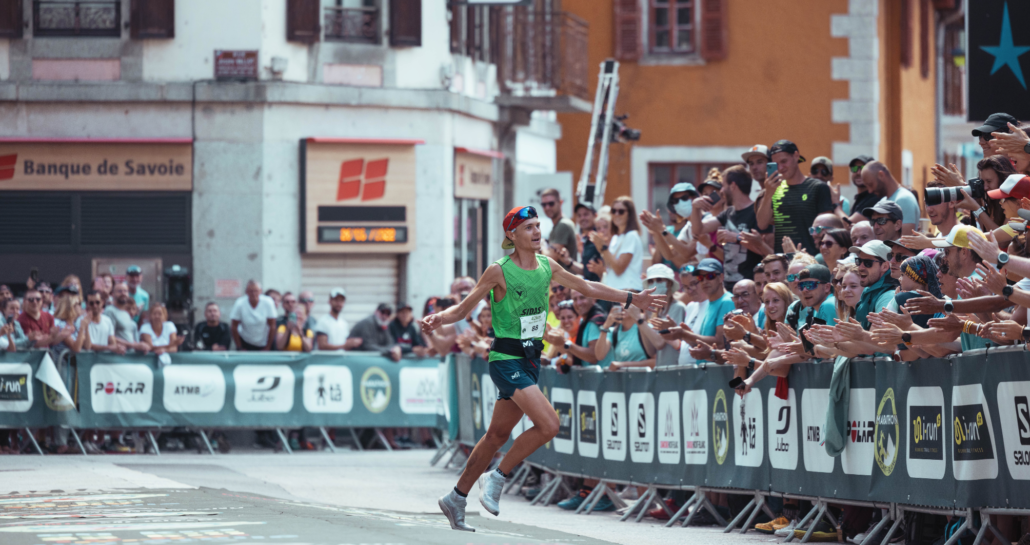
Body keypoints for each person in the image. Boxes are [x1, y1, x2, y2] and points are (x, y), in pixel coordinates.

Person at [424, 205, 664, 532]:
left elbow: (588, 287)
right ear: (511, 235)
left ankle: (456, 497)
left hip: (530, 359)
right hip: (506, 359)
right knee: (549, 425)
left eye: (538, 226)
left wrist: (631, 298)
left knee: (496, 435)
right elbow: (465, 308)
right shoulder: (499, 270)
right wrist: (440, 317)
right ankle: (496, 477)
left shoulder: (547, 266)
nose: (537, 233)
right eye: (528, 228)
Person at [692, 165, 771, 285]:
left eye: (723, 186)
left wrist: (737, 238)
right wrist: (695, 208)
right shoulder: (728, 213)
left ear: (733, 186)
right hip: (729, 285)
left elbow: (767, 251)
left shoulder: (757, 212)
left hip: (751, 286)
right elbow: (699, 230)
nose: (721, 191)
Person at [756, 140, 834, 254]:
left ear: (796, 156)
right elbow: (762, 225)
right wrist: (768, 193)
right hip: (783, 262)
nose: (781, 167)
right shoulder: (773, 189)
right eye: (775, 164)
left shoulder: (818, 187)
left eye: (784, 161)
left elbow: (826, 229)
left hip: (810, 259)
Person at [670, 259, 735, 364]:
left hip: (719, 373)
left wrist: (686, 335)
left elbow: (720, 343)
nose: (705, 281)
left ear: (721, 277)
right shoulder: (710, 303)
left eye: (710, 276)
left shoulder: (727, 301)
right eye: (700, 278)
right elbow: (702, 345)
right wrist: (684, 335)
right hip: (705, 371)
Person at [590, 196, 644, 291]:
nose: (616, 214)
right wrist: (599, 246)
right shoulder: (615, 237)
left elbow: (619, 269)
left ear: (629, 214)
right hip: (615, 291)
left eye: (621, 211)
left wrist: (603, 248)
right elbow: (610, 266)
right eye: (613, 211)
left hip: (629, 290)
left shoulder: (631, 235)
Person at [642, 264, 687, 367]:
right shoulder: (654, 311)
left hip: (677, 370)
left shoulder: (678, 307)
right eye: (650, 281)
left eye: (659, 279)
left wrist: (638, 320)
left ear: (669, 283)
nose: (654, 284)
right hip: (662, 370)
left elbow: (659, 344)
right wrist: (642, 320)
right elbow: (651, 351)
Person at [860, 161, 918, 235]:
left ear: (881, 175)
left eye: (871, 184)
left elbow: (906, 241)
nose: (870, 191)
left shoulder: (904, 199)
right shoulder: (882, 201)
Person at [230, 280, 277, 351]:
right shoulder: (240, 303)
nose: (253, 293)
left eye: (256, 291)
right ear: (246, 292)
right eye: (251, 291)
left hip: (264, 342)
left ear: (260, 291)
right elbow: (234, 326)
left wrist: (268, 347)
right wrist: (239, 347)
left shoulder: (268, 302)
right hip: (245, 341)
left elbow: (272, 326)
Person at [105, 282, 148, 353]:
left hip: (129, 356)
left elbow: (128, 337)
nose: (123, 293)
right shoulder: (110, 311)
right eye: (119, 291)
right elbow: (109, 337)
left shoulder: (126, 313)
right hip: (117, 357)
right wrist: (133, 346)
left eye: (125, 291)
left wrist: (140, 345)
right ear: (112, 294)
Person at [540, 188, 578, 267]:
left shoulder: (562, 225)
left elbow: (550, 260)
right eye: (544, 205)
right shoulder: (559, 225)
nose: (547, 208)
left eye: (551, 203)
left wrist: (542, 245)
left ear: (560, 202)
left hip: (565, 277)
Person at [846, 155, 881, 224]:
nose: (858, 172)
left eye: (863, 168)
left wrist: (836, 206)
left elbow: (849, 224)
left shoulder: (875, 197)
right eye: (855, 168)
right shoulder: (861, 198)